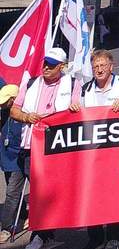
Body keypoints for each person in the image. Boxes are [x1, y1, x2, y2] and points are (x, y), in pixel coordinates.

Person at [71, 50, 119, 249]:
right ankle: (94, 236)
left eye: (103, 65)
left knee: (112, 195)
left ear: (111, 67)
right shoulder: (85, 90)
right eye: (96, 67)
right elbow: (76, 117)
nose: (99, 69)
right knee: (91, 195)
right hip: (91, 153)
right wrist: (74, 109)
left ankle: (113, 236)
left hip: (117, 152)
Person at [8, 47, 77, 249]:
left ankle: (42, 234)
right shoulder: (30, 83)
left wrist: (74, 109)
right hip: (30, 146)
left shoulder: (73, 83)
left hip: (55, 149)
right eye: (45, 63)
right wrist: (27, 117)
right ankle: (41, 235)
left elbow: (78, 109)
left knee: (45, 194)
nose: (46, 67)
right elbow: (14, 110)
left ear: (62, 67)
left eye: (52, 65)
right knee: (32, 192)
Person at [0, 83, 23, 245]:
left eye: (5, 101)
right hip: (6, 159)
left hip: (18, 159)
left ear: (14, 99)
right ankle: (22, 214)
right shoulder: (3, 112)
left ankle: (7, 227)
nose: (2, 104)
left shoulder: (21, 114)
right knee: (12, 191)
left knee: (12, 193)